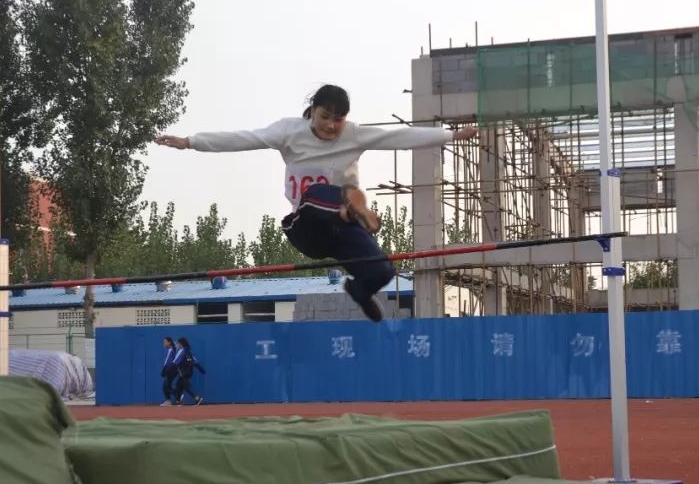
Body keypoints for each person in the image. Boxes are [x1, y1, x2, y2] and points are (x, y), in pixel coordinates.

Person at [155, 84, 477, 321]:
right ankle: (350, 205)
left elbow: (401, 139)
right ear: (313, 110)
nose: (331, 126)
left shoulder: (354, 134)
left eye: (338, 120)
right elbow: (244, 138)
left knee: (382, 270)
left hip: (342, 230)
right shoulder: (289, 132)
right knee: (317, 195)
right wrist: (190, 142)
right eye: (326, 117)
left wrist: (450, 135)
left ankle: (359, 289)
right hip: (307, 226)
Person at [171, 336, 205, 406]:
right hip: (189, 372)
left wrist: (169, 370)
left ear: (181, 344)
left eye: (177, 343)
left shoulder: (181, 351)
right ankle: (178, 401)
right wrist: (201, 369)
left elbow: (176, 362)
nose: (177, 345)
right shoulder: (188, 351)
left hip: (183, 372)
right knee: (178, 385)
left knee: (186, 386)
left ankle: (198, 398)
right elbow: (195, 362)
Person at [160, 336, 178, 406]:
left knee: (165, 386)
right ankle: (170, 400)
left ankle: (176, 395)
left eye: (165, 342)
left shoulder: (171, 349)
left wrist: (164, 370)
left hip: (171, 370)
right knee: (167, 386)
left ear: (169, 342)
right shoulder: (170, 350)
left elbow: (168, 362)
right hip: (171, 370)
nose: (163, 343)